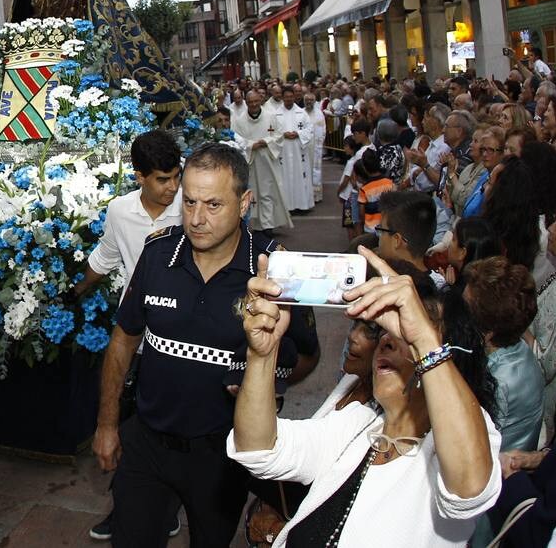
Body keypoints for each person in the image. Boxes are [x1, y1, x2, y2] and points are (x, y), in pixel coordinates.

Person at [90, 144, 315, 547]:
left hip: (222, 455)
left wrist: (260, 374)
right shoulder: (159, 253)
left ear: (244, 202)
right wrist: (107, 425)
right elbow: (123, 341)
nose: (196, 219)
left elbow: (307, 358)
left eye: (213, 205)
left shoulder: (273, 268)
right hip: (147, 442)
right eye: (189, 201)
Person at [230, 248, 501, 548]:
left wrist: (423, 340)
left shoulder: (461, 444)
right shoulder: (363, 424)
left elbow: (469, 490)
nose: (388, 339)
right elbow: (259, 449)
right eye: (386, 331)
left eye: (407, 336)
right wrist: (262, 355)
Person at [243, 317, 382, 544]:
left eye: (371, 332)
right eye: (355, 325)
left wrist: (279, 531)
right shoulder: (351, 380)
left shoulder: (374, 423)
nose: (352, 336)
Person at [78, 129, 182, 297]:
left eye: (177, 176)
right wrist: (77, 289)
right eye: (163, 180)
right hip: (135, 315)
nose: (174, 187)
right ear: (140, 177)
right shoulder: (120, 210)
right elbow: (105, 258)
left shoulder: (191, 207)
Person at [462, 257, 544, 451]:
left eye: (463, 308)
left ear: (487, 332)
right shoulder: (513, 347)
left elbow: (472, 447)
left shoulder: (498, 382)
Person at [231, 90, 292, 232]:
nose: (253, 104)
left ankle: (268, 226)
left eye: (256, 101)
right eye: (250, 102)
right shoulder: (239, 121)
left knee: (268, 192)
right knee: (253, 193)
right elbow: (237, 139)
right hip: (250, 163)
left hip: (268, 161)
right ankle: (255, 225)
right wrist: (252, 145)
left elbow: (279, 135)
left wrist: (266, 141)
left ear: (260, 101)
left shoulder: (271, 117)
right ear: (246, 102)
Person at [276, 86, 315, 212]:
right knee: (285, 177)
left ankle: (302, 205)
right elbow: (271, 130)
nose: (288, 99)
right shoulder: (276, 114)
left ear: (294, 97)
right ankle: (287, 207)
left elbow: (309, 129)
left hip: (299, 150)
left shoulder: (301, 113)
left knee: (300, 176)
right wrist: (283, 134)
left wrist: (298, 133)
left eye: (291, 96)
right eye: (286, 97)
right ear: (282, 98)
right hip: (284, 151)